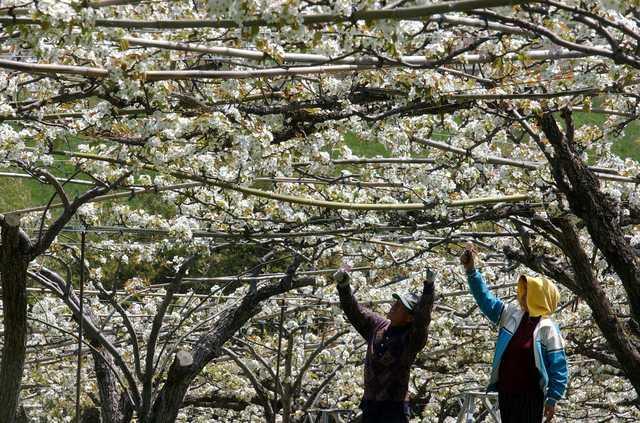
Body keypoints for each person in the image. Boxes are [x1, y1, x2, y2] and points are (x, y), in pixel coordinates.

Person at [460, 244, 568, 422]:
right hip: (507, 391)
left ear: (540, 297)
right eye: (524, 291)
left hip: (530, 396)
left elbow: (559, 366)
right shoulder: (512, 314)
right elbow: (486, 301)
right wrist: (471, 271)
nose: (523, 295)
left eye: (528, 292)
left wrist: (553, 397)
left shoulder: (547, 327)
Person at [332, 264, 436, 423]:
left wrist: (428, 288)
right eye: (396, 302)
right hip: (370, 406)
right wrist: (344, 286)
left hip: (394, 410)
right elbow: (354, 311)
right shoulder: (378, 327)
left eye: (401, 306)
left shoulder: (411, 339)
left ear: (409, 317)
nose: (394, 306)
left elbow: (422, 320)